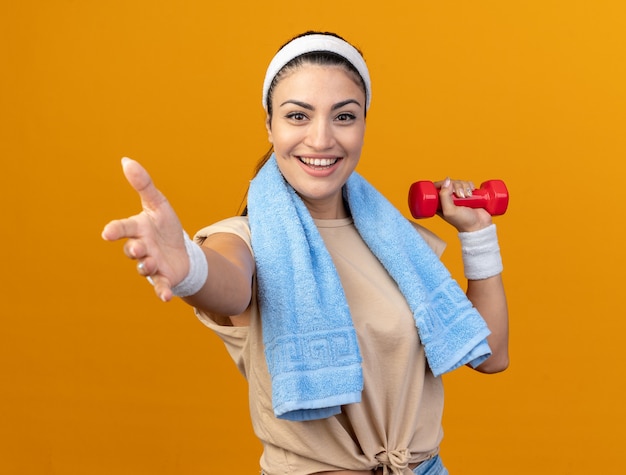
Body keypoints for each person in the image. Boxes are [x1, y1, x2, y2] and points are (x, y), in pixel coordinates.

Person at [102, 31, 509, 475]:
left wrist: (478, 236)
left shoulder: (400, 247)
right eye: (298, 116)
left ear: (364, 124)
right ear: (269, 125)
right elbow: (230, 284)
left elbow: (491, 353)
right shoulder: (246, 240)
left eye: (344, 117)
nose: (321, 139)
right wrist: (190, 269)